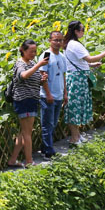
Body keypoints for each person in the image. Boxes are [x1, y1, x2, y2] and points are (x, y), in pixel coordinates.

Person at [63, 20, 105, 145]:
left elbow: (80, 61)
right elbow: (89, 57)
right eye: (82, 29)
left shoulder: (70, 43)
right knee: (74, 108)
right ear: (76, 31)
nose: (83, 31)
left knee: (77, 107)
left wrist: (90, 65)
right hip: (77, 79)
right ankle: (74, 138)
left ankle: (77, 135)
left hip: (77, 77)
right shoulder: (75, 44)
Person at [7, 39, 48, 169]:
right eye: (31, 51)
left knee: (24, 132)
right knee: (27, 133)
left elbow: (32, 80)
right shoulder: (20, 64)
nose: (34, 54)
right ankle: (29, 161)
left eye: (35, 51)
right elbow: (23, 76)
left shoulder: (31, 62)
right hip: (23, 100)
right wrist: (38, 65)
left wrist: (42, 80)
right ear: (23, 51)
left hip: (31, 100)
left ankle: (13, 160)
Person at [38, 30, 67, 159]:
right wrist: (48, 94)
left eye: (60, 40)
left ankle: (45, 148)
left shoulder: (61, 56)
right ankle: (49, 152)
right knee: (47, 124)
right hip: (47, 96)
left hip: (59, 95)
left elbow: (63, 76)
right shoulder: (46, 55)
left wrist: (65, 93)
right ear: (50, 40)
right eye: (55, 40)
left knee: (53, 123)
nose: (58, 42)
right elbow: (42, 76)